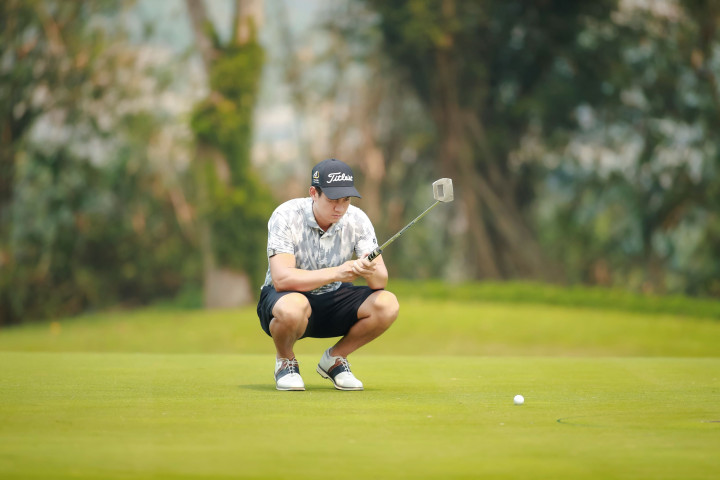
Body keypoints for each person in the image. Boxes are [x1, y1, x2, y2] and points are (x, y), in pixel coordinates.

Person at [256, 158, 399, 391]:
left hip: (333, 299)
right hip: (286, 299)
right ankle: (285, 361)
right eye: (333, 200)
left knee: (387, 304)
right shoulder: (286, 215)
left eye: (346, 200)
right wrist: (338, 272)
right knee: (293, 307)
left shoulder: (358, 219)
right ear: (314, 193)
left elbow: (380, 281)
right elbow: (282, 280)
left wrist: (368, 269)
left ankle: (335, 359)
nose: (340, 208)